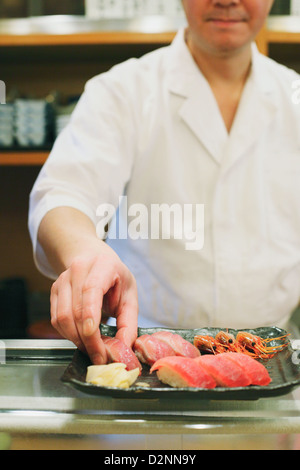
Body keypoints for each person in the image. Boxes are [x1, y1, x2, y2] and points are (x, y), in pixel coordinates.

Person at [28, 0, 300, 365]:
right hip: (145, 355)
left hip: (273, 357)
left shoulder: (293, 97)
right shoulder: (122, 91)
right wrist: (85, 254)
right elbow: (63, 193)